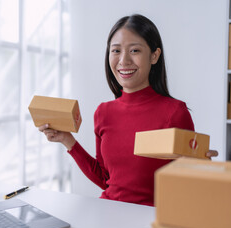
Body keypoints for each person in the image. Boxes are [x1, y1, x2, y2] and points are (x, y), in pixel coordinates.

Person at [38, 14, 217, 206]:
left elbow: (188, 190)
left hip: (150, 221)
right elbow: (105, 180)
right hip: (108, 211)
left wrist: (200, 168)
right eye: (116, 51)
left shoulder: (174, 112)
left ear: (154, 56)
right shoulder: (103, 112)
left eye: (134, 50)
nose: (123, 60)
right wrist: (68, 140)